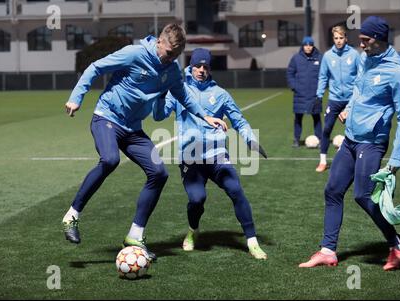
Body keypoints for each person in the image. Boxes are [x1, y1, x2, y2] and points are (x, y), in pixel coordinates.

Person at [62, 23, 227, 261]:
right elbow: (95, 67)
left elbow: (184, 96)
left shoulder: (172, 71)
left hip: (133, 130)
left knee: (159, 173)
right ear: (159, 42)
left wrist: (205, 116)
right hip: (106, 118)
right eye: (169, 53)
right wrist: (76, 97)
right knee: (109, 160)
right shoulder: (134, 53)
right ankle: (71, 216)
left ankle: (135, 235)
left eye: (177, 56)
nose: (171, 59)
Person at [299, 16, 400, 271]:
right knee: (332, 191)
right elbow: (358, 91)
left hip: (371, 143)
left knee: (362, 195)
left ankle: (397, 245)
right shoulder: (364, 59)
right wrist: (349, 107)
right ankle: (328, 250)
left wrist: (396, 159)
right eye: (359, 40)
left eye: (366, 40)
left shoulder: (396, 74)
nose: (360, 45)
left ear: (380, 40)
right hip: (350, 139)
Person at [153, 48, 268, 260]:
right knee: (197, 199)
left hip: (217, 155)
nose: (201, 70)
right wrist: (160, 94)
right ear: (191, 65)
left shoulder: (221, 94)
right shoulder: (179, 89)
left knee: (236, 190)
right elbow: (159, 116)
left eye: (205, 66)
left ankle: (252, 242)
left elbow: (239, 120)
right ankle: (193, 230)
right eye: (198, 65)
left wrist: (250, 139)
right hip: (190, 156)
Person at [315, 25, 360, 172]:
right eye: (336, 38)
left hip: (351, 100)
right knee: (326, 129)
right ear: (333, 39)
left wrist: (358, 95)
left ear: (345, 38)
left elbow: (361, 76)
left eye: (341, 38)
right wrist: (319, 94)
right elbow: (323, 77)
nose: (339, 41)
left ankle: (355, 160)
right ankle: (322, 161)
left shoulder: (354, 54)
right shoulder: (328, 56)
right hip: (334, 99)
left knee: (354, 131)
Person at [287, 36, 323, 147]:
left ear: (313, 46)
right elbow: (290, 73)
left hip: (314, 94)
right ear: (302, 46)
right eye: (306, 45)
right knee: (298, 118)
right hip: (300, 95)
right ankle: (296, 139)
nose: (308, 47)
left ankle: (321, 139)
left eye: (310, 45)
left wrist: (320, 88)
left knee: (316, 117)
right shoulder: (296, 58)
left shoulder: (319, 58)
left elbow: (324, 74)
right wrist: (294, 86)